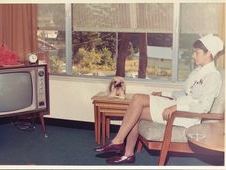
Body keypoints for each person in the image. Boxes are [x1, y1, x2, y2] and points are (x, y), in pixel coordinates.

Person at [94, 34, 224, 164]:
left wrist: (176, 107)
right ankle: (127, 153)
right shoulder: (198, 71)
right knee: (136, 106)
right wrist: (163, 93)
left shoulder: (213, 76)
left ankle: (118, 142)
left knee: (138, 99)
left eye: (197, 52)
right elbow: (186, 93)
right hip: (177, 105)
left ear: (208, 54)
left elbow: (203, 107)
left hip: (187, 116)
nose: (193, 55)